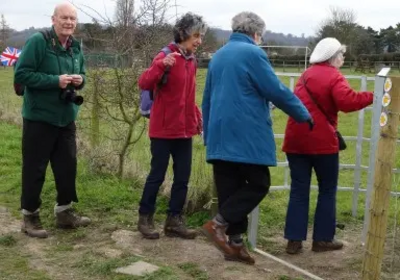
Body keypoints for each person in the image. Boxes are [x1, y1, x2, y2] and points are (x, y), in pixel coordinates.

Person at [200, 11, 313, 265]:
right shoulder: (253, 53)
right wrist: (302, 113)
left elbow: (206, 98)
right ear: (255, 33)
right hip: (245, 132)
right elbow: (275, 90)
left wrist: (208, 133)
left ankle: (235, 246)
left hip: (219, 134)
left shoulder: (218, 56)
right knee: (258, 183)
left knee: (230, 189)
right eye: (260, 36)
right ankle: (217, 225)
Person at [282, 37, 374, 254]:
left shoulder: (305, 75)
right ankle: (322, 239)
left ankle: (294, 240)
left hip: (295, 140)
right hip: (322, 142)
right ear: (333, 57)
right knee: (327, 189)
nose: (343, 58)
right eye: (341, 54)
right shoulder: (334, 76)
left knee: (298, 190)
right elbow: (347, 102)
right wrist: (373, 95)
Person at [14, 2, 89, 239]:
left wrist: (80, 80)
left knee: (67, 167)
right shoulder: (39, 42)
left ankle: (64, 212)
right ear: (53, 19)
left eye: (72, 19)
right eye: (64, 18)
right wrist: (54, 81)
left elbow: (84, 74)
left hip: (65, 117)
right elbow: (22, 74)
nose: (69, 22)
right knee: (35, 168)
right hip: (39, 117)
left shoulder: (75, 47)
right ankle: (30, 216)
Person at [137, 12, 206, 240]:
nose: (199, 41)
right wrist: (159, 66)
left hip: (184, 130)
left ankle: (174, 221)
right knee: (157, 175)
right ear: (183, 33)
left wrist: (197, 117)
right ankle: (145, 218)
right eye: (196, 35)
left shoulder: (192, 61)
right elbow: (144, 82)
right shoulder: (166, 55)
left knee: (182, 177)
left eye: (201, 36)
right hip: (163, 129)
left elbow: (188, 96)